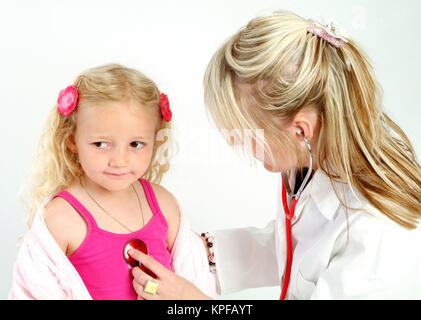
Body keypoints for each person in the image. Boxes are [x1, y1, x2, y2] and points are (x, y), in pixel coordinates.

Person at [128, 10, 421, 300]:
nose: (240, 145)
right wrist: (199, 251)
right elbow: (295, 246)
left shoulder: (378, 237)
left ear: (301, 130)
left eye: (248, 132)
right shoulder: (310, 163)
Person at [9, 63, 216, 300]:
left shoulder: (163, 205)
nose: (119, 160)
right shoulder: (62, 218)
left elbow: (194, 281)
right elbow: (34, 292)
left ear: (155, 141)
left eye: (136, 144)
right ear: (72, 141)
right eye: (101, 144)